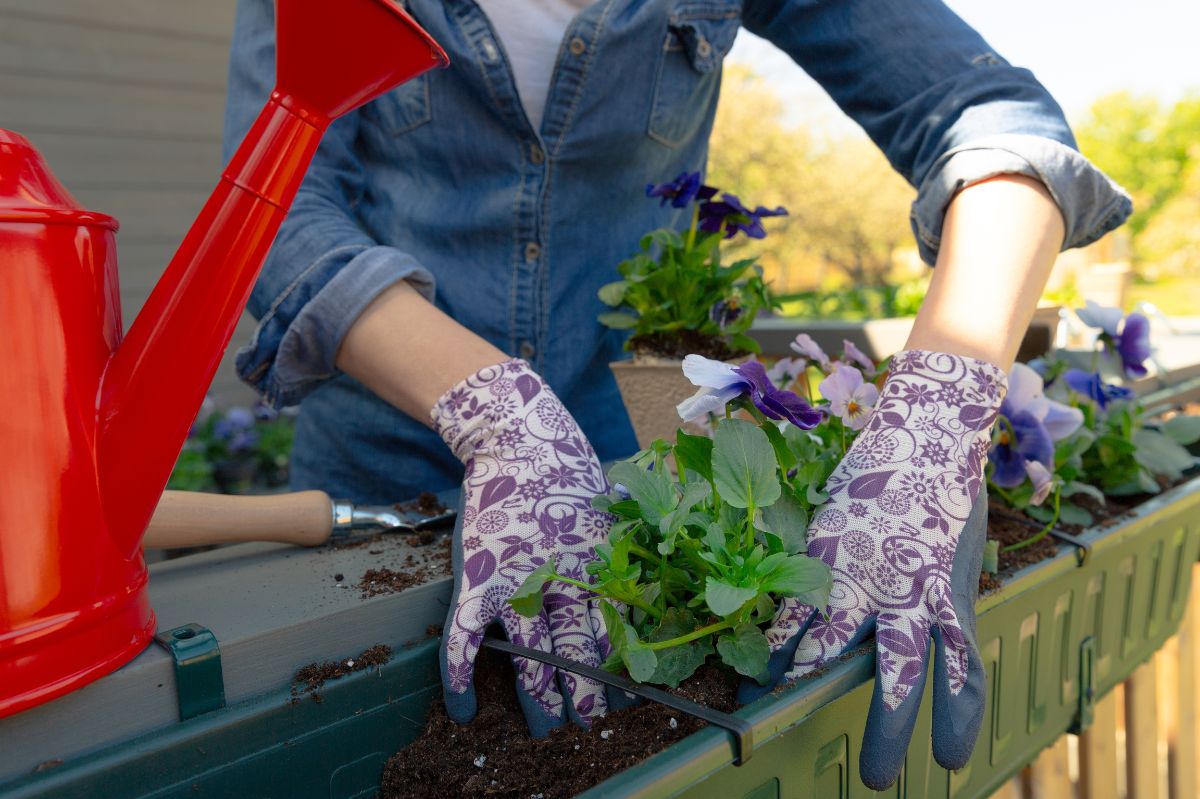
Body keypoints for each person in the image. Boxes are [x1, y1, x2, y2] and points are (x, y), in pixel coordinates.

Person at [223, 0, 1129, 786]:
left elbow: (995, 117)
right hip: (383, 475)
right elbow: (274, 199)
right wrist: (496, 412)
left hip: (638, 478)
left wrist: (937, 414)